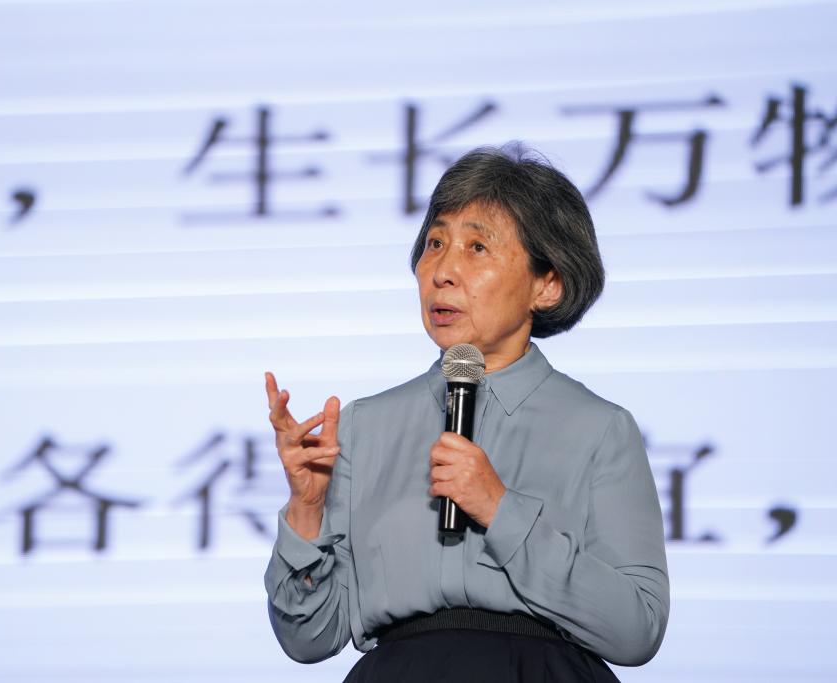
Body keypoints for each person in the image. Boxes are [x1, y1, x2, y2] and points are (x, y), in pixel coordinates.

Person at [263, 144, 669, 682]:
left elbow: (637, 629)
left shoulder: (599, 429)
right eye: (435, 244)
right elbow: (308, 637)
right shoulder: (364, 426)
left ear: (547, 284)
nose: (443, 271)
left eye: (477, 247)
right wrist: (307, 510)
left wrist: (500, 509)